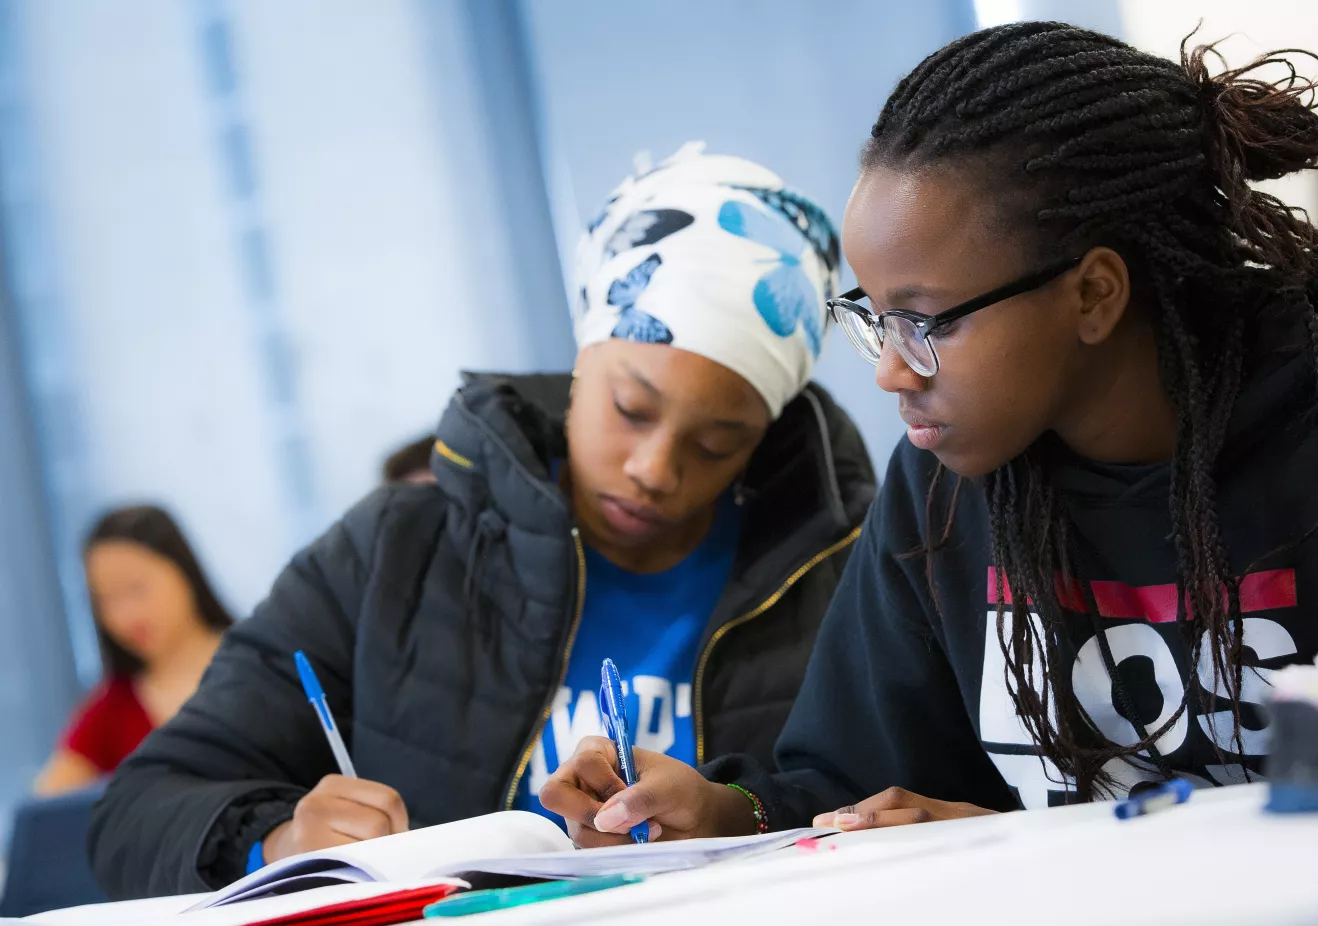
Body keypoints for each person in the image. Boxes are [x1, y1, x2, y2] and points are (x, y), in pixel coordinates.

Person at [541, 23, 1318, 845]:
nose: (891, 372)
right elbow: (846, 784)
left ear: (1093, 294)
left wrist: (1035, 849)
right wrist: (721, 811)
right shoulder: (947, 481)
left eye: (923, 321)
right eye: (877, 318)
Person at [88, 143, 876, 898]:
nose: (655, 470)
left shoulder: (841, 571)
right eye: (630, 409)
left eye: (717, 442)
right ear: (580, 362)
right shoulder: (393, 552)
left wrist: (738, 812)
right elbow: (138, 810)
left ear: (763, 435)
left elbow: (909, 793)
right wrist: (281, 841)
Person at [34, 506, 233, 796]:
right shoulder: (110, 710)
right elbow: (42, 814)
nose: (125, 615)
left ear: (182, 570)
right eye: (106, 599)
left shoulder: (264, 659)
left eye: (136, 588)